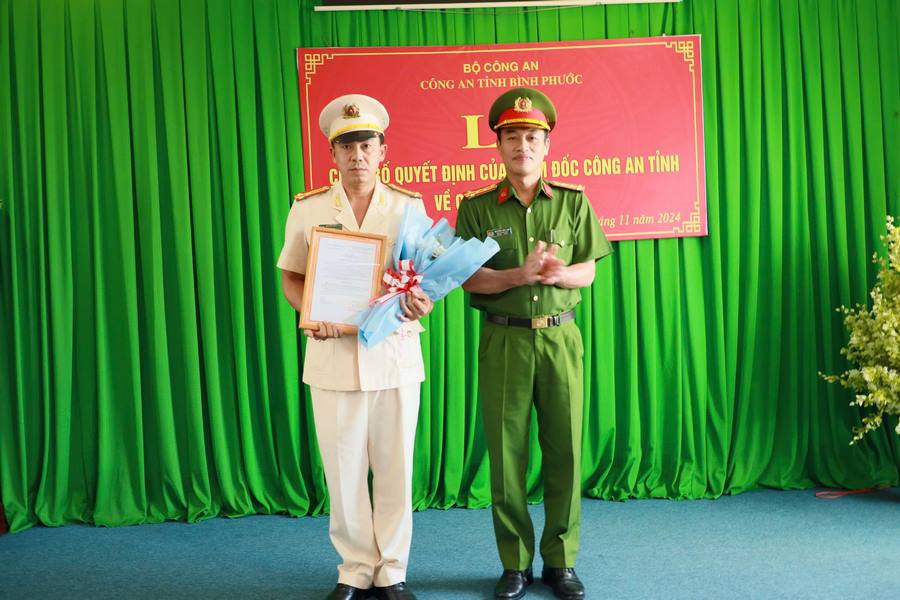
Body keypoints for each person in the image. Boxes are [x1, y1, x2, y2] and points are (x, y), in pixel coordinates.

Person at [455, 88, 613, 600]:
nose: (522, 145)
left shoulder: (573, 201)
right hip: (504, 340)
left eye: (532, 136)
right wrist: (515, 276)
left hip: (561, 336)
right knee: (506, 457)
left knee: (565, 451)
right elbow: (468, 279)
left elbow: (588, 270)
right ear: (497, 145)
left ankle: (561, 563)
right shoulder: (476, 208)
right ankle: (514, 565)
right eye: (512, 137)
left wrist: (562, 274)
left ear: (546, 145)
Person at [278, 94, 431, 600]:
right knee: (342, 469)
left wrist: (420, 303)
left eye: (366, 144)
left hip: (393, 355)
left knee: (394, 467)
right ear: (334, 155)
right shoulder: (309, 208)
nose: (357, 155)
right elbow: (292, 277)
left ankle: (392, 570)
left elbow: (423, 282)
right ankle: (354, 568)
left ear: (383, 150)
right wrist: (310, 315)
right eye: (347, 146)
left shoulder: (409, 208)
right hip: (332, 357)